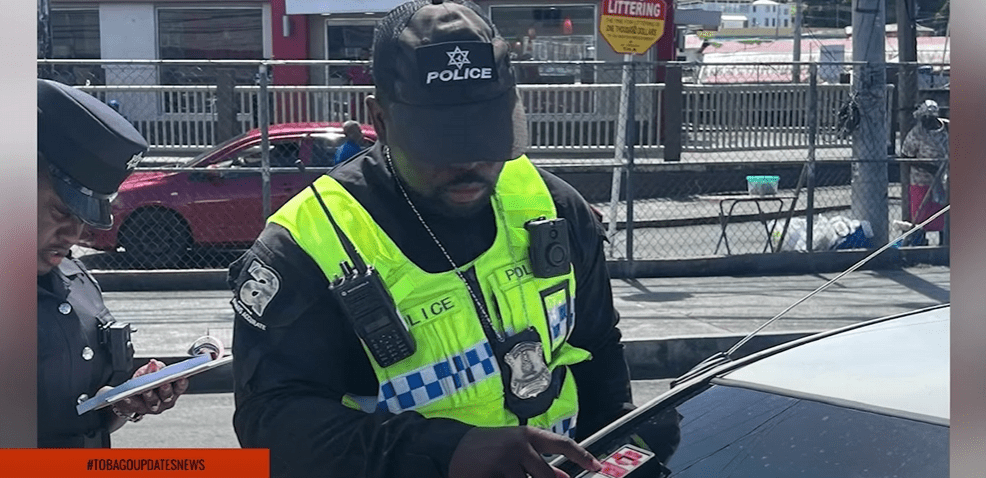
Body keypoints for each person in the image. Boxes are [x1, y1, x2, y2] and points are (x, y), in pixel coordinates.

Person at [228, 1, 634, 477]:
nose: (468, 162)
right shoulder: (304, 247)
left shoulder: (552, 206)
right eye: (440, 141)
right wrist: (443, 452)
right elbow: (270, 424)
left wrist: (625, 451)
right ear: (380, 120)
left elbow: (598, 351)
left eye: (486, 135)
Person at [37, 78, 188, 447]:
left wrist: (123, 399)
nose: (73, 235)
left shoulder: (76, 282)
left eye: (83, 220)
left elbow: (80, 414)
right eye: (62, 211)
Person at [900, 99, 949, 246]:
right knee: (921, 215)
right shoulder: (917, 132)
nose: (925, 122)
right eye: (923, 119)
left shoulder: (946, 128)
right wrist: (927, 167)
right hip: (921, 180)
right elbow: (905, 156)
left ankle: (944, 244)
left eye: (928, 119)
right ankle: (920, 243)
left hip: (944, 179)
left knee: (943, 213)